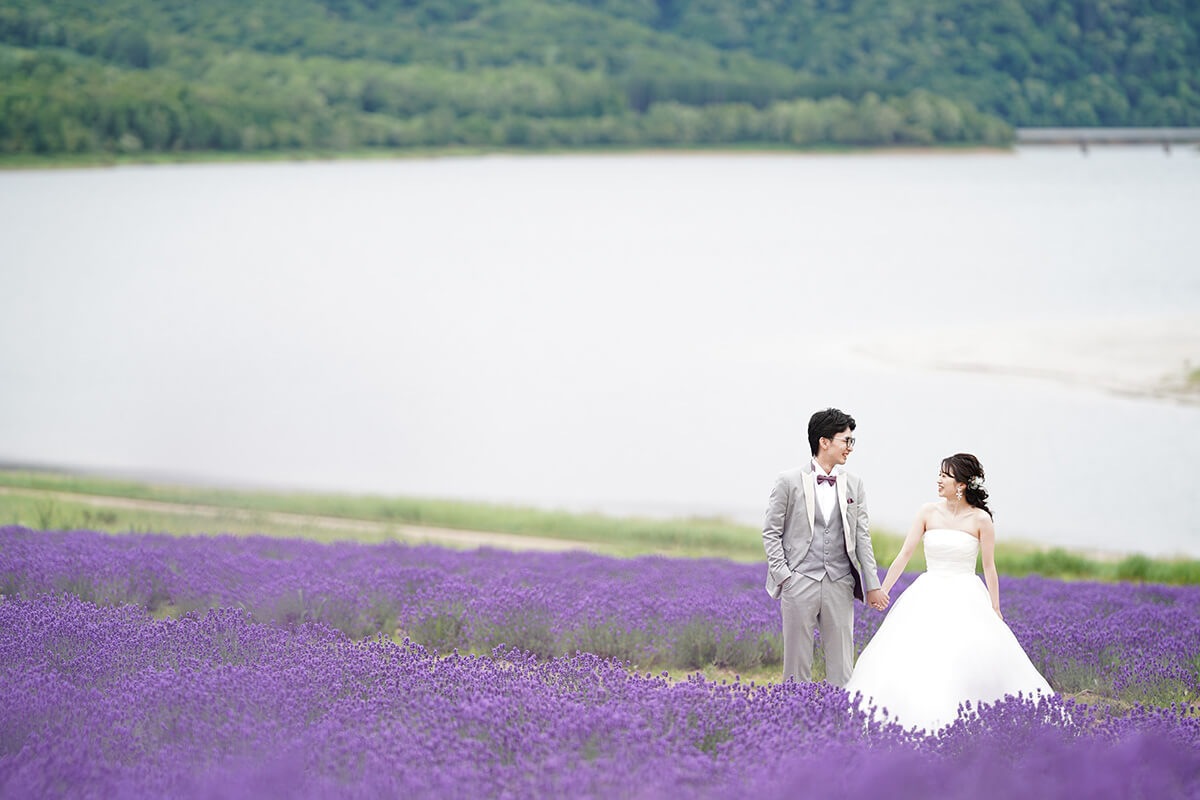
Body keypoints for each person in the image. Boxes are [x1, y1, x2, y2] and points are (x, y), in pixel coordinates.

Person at [844, 453, 1052, 732]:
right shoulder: (927, 512)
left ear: (962, 484)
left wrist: (995, 608)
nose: (939, 480)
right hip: (928, 592)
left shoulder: (981, 520)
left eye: (945, 475)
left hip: (966, 594)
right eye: (939, 474)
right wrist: (883, 589)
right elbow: (905, 554)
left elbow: (989, 568)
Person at [762, 408, 888, 686]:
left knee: (842, 666)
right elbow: (771, 532)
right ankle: (794, 722)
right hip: (799, 580)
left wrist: (872, 584)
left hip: (840, 581)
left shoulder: (855, 484)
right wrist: (785, 575)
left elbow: (862, 536)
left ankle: (840, 723)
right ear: (824, 442)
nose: (850, 448)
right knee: (796, 664)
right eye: (846, 440)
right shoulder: (788, 481)